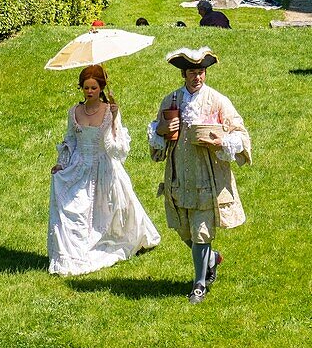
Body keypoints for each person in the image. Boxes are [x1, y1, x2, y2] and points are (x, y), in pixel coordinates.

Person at [148, 48, 252, 304]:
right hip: (178, 176)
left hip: (207, 178)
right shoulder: (171, 101)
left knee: (201, 233)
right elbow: (157, 136)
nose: (197, 77)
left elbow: (241, 135)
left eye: (201, 72)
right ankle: (212, 259)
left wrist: (221, 141)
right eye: (193, 73)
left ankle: (199, 285)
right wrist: (161, 130)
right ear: (184, 74)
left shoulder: (218, 101)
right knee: (185, 231)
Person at [48, 65, 160, 276]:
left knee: (111, 211)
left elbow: (118, 150)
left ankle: (116, 240)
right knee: (72, 205)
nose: (89, 91)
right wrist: (62, 163)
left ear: (101, 88)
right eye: (86, 87)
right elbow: (70, 140)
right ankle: (73, 251)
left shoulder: (110, 112)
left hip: (104, 167)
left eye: (94, 87)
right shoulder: (74, 112)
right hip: (79, 167)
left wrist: (115, 120)